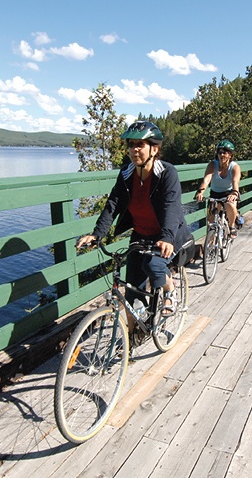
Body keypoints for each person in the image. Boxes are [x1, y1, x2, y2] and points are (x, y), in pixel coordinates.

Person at [76, 120, 191, 339]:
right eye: (131, 145)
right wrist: (97, 234)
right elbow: (113, 204)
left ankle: (170, 290)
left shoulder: (167, 173)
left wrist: (166, 237)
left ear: (154, 149)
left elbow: (171, 206)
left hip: (168, 235)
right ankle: (133, 336)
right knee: (130, 292)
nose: (134, 149)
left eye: (140, 144)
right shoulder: (127, 174)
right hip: (140, 235)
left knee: (154, 264)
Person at [194, 139, 241, 238]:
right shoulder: (212, 165)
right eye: (220, 152)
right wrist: (200, 192)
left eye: (225, 153)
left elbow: (235, 182)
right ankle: (209, 246)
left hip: (229, 193)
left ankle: (232, 226)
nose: (222, 155)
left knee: (230, 205)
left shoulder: (234, 167)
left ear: (230, 155)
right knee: (211, 222)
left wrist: (234, 193)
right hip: (215, 193)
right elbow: (206, 180)